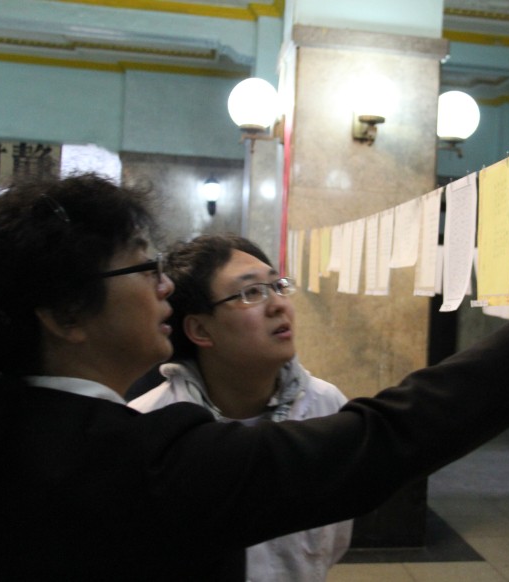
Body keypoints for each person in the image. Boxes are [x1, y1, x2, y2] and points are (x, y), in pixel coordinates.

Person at [0, 173, 509, 581]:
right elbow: (385, 438)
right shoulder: (135, 459)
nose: (163, 289)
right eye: (143, 269)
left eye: (276, 286)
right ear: (65, 314)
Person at [128, 234, 352, 582]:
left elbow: (333, 540)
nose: (278, 305)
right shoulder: (149, 423)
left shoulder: (326, 405)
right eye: (251, 293)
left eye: (277, 286)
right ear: (200, 329)